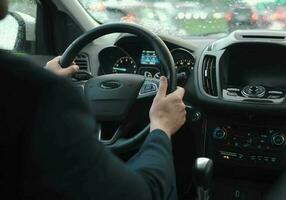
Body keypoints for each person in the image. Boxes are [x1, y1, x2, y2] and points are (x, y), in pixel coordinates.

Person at [0, 0, 186, 199]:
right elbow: (144, 193)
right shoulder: (42, 93)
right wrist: (160, 127)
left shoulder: (23, 88)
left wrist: (43, 78)